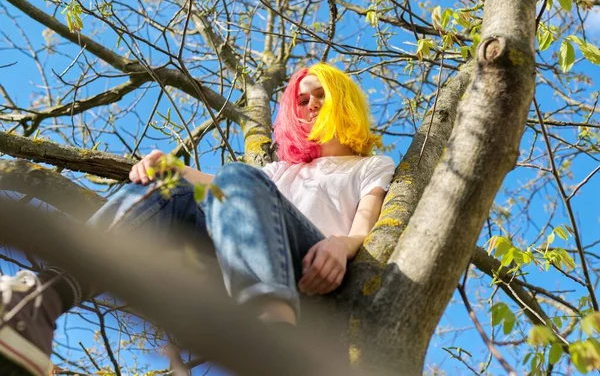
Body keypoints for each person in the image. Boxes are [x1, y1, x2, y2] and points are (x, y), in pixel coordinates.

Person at [0, 63, 396, 376]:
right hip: (254, 259)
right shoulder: (281, 172)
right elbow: (213, 185)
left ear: (342, 101)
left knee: (240, 175)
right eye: (301, 100)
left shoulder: (369, 166)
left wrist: (339, 246)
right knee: (172, 184)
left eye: (320, 96)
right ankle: (40, 300)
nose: (309, 105)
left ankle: (274, 345)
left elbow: (364, 225)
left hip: (316, 267)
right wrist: (169, 167)